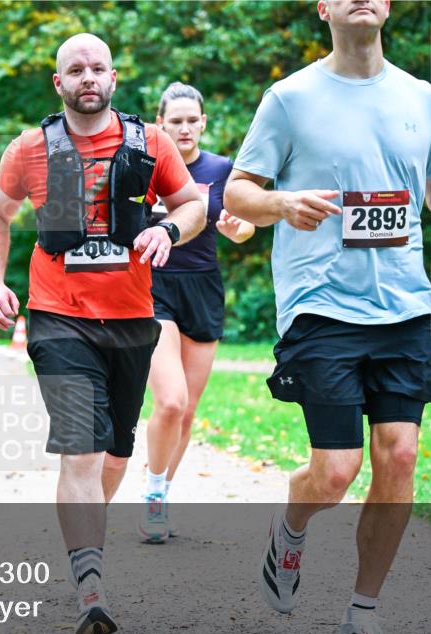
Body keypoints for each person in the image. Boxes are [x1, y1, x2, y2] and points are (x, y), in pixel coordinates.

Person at [223, 1, 431, 634]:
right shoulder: (288, 100)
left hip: (404, 306)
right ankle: (292, 523)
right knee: (336, 470)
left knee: (399, 457)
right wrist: (283, 202)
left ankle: (361, 619)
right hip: (322, 309)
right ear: (324, 8)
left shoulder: (421, 97)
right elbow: (237, 193)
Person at [0, 33, 205, 634]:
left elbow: (191, 204)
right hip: (57, 317)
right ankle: (91, 587)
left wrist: (171, 231)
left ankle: (85, 543)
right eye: (75, 69)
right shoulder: (30, 148)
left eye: (97, 67)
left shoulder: (151, 143)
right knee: (79, 448)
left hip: (132, 320)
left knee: (116, 449)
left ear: (112, 77)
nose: (87, 78)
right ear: (59, 83)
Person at [138, 83, 256, 543]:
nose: (184, 128)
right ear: (160, 122)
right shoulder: (148, 168)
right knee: (170, 400)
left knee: (188, 412)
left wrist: (235, 228)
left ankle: (163, 491)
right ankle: (151, 492)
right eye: (176, 120)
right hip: (155, 286)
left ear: (203, 122)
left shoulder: (223, 170)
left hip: (204, 288)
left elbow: (245, 228)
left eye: (192, 120)